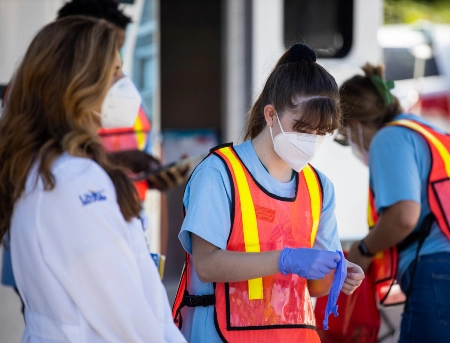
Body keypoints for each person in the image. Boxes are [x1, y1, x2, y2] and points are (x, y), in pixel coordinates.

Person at [0, 16, 185, 343]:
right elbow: (126, 314)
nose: (125, 81)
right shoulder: (74, 181)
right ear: (76, 84)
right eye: (114, 72)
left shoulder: (46, 170)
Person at [171, 44, 365, 343]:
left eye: (321, 132)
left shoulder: (319, 186)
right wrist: (285, 260)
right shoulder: (220, 173)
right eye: (302, 128)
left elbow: (315, 287)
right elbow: (207, 265)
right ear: (271, 115)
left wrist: (340, 272)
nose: (310, 141)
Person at [339, 63, 450, 343]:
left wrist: (363, 250)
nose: (350, 143)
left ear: (353, 125)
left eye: (344, 138)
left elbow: (403, 216)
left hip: (436, 269)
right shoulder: (431, 134)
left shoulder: (389, 138)